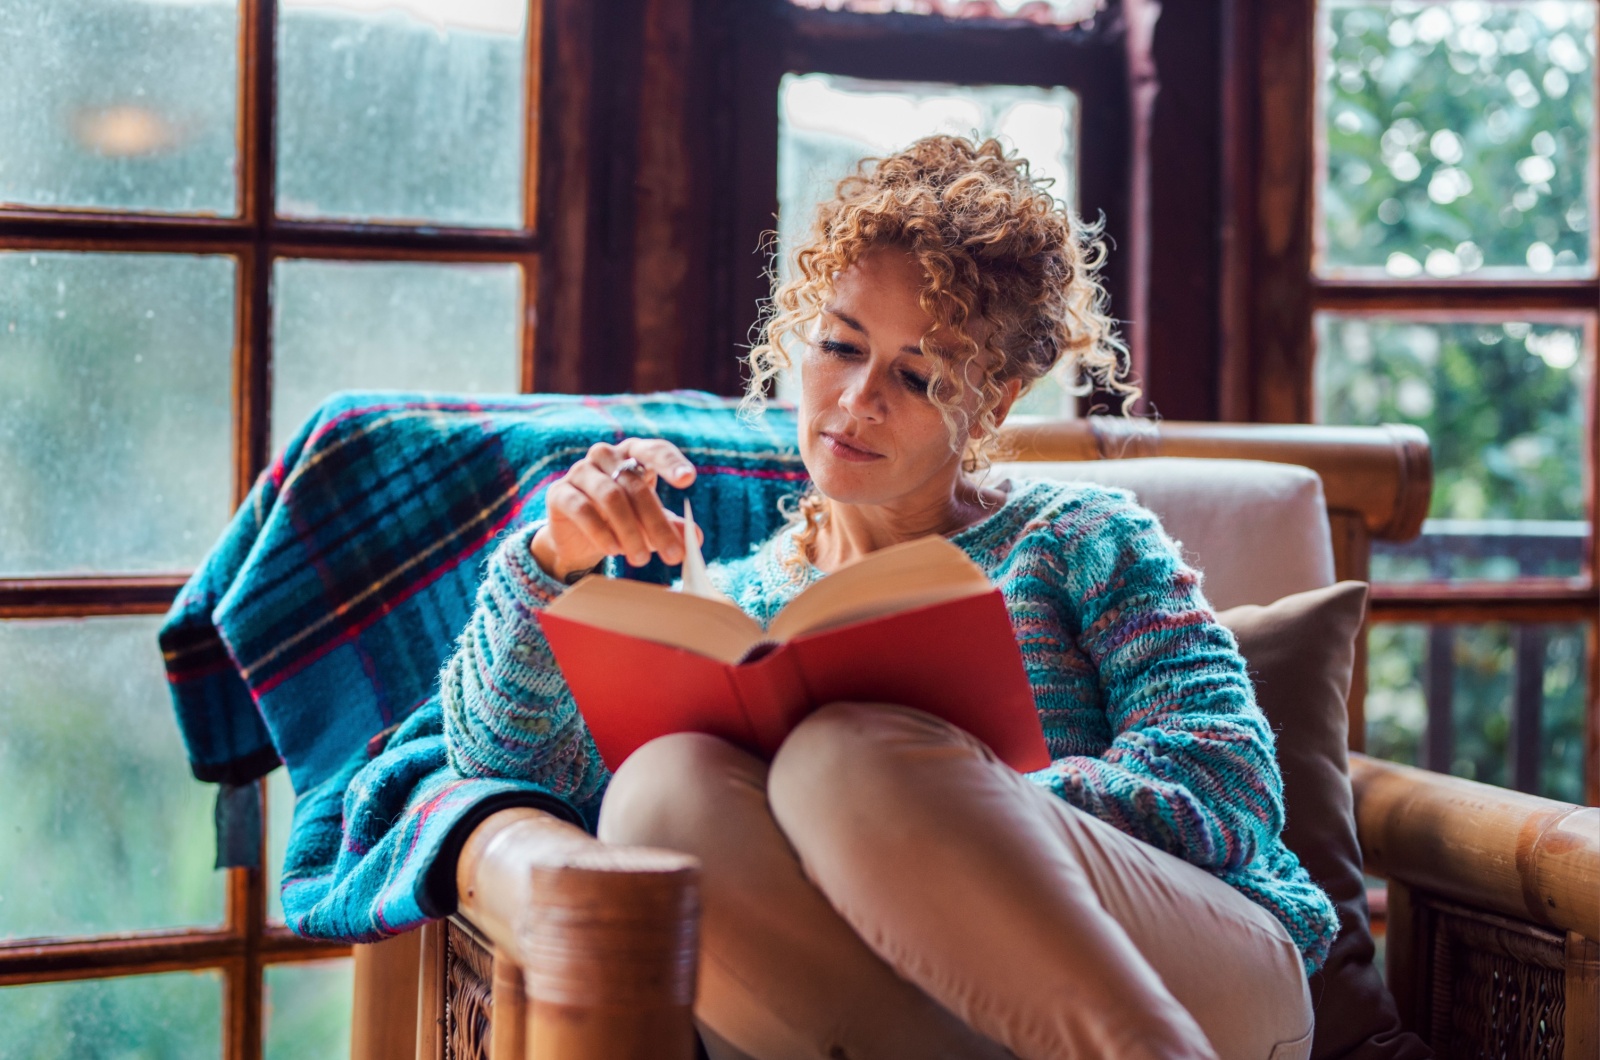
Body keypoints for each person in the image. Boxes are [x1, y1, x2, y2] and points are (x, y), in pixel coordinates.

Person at [442, 136, 1335, 1060]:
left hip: (1209, 983)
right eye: (839, 345)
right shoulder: (738, 603)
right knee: (658, 791)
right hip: (937, 1020)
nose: (858, 398)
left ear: (993, 403)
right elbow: (510, 765)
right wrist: (555, 554)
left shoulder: (1080, 537)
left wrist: (955, 806)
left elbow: (1226, 782)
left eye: (918, 375)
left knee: (845, 758)